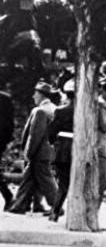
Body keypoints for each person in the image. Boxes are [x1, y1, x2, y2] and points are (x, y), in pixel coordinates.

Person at [8, 82, 58, 214]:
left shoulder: (40, 111)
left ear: (41, 95)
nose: (33, 96)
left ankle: (57, 205)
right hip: (47, 151)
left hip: (38, 152)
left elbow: (35, 135)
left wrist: (28, 152)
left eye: (35, 93)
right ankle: (20, 205)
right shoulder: (53, 108)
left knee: (45, 180)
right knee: (29, 179)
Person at [47, 79, 75, 221]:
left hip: (62, 150)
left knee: (63, 183)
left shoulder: (60, 111)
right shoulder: (85, 111)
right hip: (77, 149)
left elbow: (51, 134)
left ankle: (55, 212)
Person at [0, 78, 14, 210]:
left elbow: (8, 123)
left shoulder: (5, 99)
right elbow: (10, 124)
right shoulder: (6, 99)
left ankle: (8, 195)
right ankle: (7, 195)